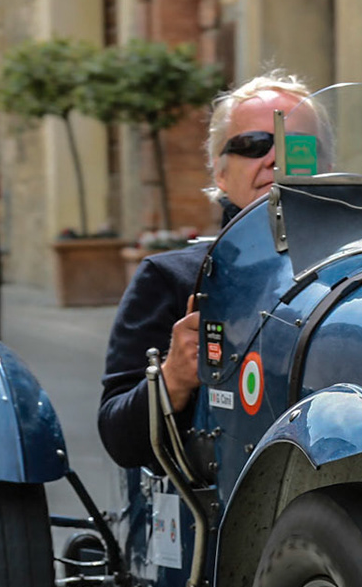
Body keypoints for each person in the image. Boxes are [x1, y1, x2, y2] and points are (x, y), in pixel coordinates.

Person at [97, 72, 309, 469]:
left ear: (326, 166)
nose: (275, 158)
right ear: (220, 172)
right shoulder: (171, 278)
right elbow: (118, 438)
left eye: (297, 145)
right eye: (253, 144)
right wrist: (173, 376)